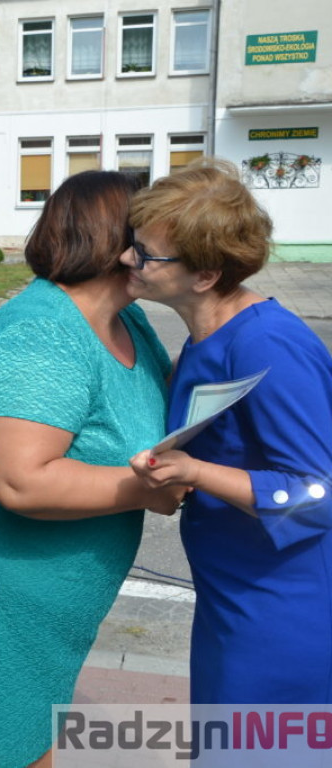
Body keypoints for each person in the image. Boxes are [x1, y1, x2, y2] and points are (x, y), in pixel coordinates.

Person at [0, 171, 185, 768]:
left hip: (49, 611)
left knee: (28, 738)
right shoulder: (42, 333)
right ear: (115, 238)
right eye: (149, 228)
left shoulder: (129, 320)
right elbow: (22, 480)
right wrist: (145, 491)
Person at [126, 158, 332, 705]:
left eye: (146, 253)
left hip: (280, 615)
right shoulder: (206, 337)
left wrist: (195, 472)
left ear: (205, 275)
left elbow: (318, 495)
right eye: (133, 242)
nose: (128, 258)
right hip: (232, 596)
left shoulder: (267, 345)